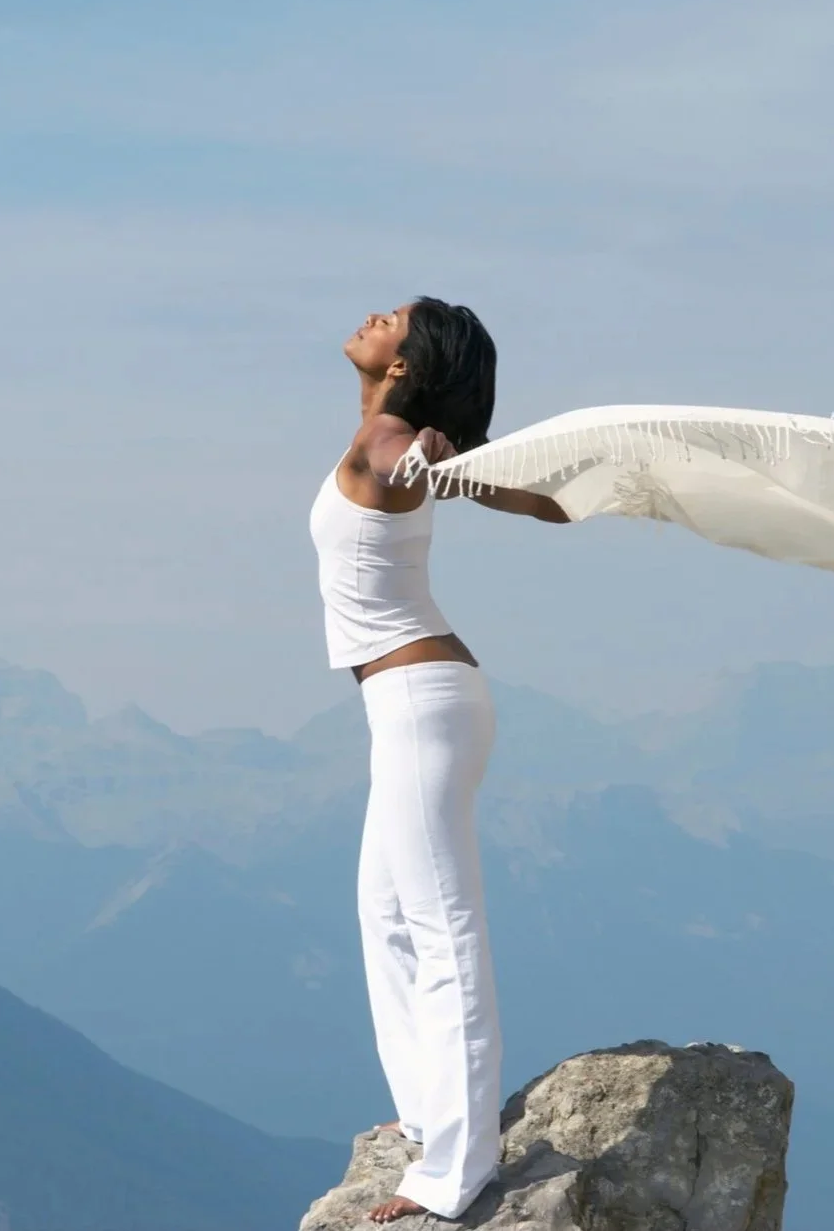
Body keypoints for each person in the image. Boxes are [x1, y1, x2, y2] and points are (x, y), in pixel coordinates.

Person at [308, 298, 569, 1223]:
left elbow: (415, 467)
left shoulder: (390, 439)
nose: (372, 315)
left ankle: (455, 1169)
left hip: (423, 706)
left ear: (407, 364)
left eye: (393, 318)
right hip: (411, 707)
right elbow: (533, 505)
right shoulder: (386, 435)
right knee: (385, 913)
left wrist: (444, 467)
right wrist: (504, 485)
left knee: (441, 922)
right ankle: (428, 1115)